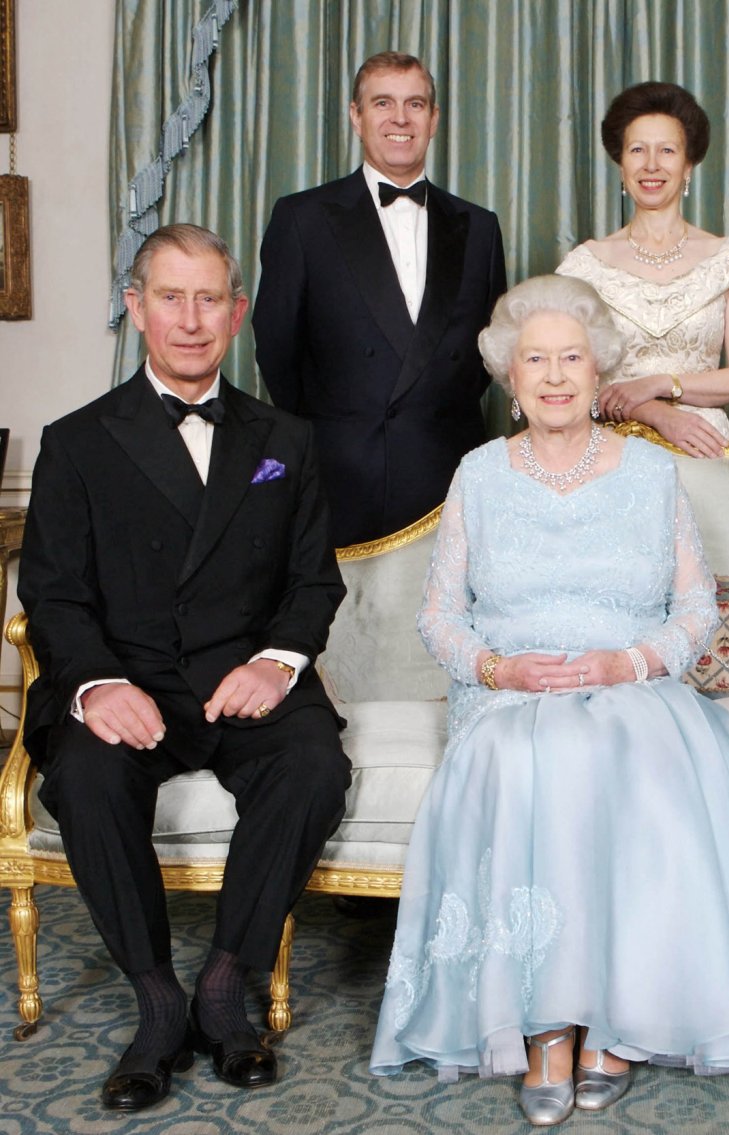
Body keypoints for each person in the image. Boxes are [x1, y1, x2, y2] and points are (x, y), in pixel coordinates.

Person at [370, 275, 729, 1125]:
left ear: (600, 372)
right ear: (508, 376)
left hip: (629, 682)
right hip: (510, 693)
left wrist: (625, 662)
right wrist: (499, 671)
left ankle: (617, 1020)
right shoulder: (479, 474)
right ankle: (548, 1026)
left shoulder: (649, 471)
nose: (556, 376)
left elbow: (696, 611)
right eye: (536, 360)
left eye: (573, 358)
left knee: (623, 757)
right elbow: (439, 616)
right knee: (534, 758)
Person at [18, 224, 351, 1111]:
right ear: (137, 308)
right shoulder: (77, 440)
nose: (192, 320)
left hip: (244, 675)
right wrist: (93, 682)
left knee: (316, 764)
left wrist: (279, 663)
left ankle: (223, 979)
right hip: (128, 680)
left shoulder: (288, 437)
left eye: (211, 299)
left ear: (237, 314)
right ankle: (159, 998)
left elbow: (314, 582)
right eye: (172, 298)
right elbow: (51, 594)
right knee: (85, 776)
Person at [254, 51, 507, 547]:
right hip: (343, 473)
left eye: (415, 104)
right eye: (382, 103)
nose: (400, 119)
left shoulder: (480, 227)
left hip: (450, 469)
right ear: (356, 115)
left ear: (434, 120)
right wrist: (341, 431)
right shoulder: (303, 218)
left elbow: (489, 354)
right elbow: (276, 348)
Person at [557, 81, 729, 459]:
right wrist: (651, 412)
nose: (651, 165)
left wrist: (659, 384)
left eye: (667, 150)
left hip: (702, 447)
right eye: (638, 150)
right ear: (621, 164)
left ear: (689, 164)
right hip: (612, 453)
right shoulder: (583, 267)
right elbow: (568, 380)